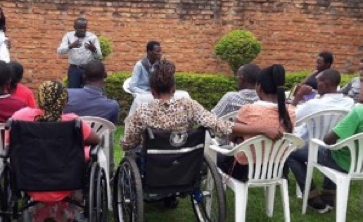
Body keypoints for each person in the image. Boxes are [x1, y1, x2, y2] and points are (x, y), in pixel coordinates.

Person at [287, 70, 363, 213]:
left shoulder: (361, 113)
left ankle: (312, 198)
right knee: (333, 150)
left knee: (291, 151)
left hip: (345, 162)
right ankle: (328, 196)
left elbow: (328, 140)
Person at [121, 59, 283, 155]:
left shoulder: (143, 111)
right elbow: (222, 125)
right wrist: (261, 129)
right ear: (173, 89)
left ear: (153, 92)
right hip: (183, 161)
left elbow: (127, 143)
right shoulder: (190, 106)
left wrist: (128, 142)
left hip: (152, 164)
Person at [8, 81, 101, 222]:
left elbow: (10, 144)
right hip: (67, 179)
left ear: (39, 99)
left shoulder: (20, 118)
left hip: (29, 178)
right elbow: (96, 140)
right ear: (64, 102)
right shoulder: (73, 122)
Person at [217, 64, 296, 182]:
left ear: (258, 87)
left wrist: (244, 136)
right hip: (278, 169)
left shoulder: (249, 109)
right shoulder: (291, 111)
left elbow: (231, 135)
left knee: (216, 156)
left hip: (246, 170)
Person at [292, 69, 354, 143]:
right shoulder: (349, 102)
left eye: (318, 82)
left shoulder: (314, 104)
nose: (317, 85)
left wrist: (298, 95)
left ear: (326, 85)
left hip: (305, 145)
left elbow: (290, 118)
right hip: (332, 147)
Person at [64, 59, 119, 124]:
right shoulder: (112, 106)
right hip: (98, 133)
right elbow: (111, 128)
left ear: (84, 76)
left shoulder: (67, 95)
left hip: (70, 134)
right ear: (105, 75)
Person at [57, 17, 101, 89]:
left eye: (84, 28)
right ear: (74, 27)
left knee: (88, 91)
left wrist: (94, 49)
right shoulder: (68, 36)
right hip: (74, 69)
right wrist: (70, 46)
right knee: (73, 91)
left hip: (88, 69)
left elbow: (99, 56)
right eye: (80, 28)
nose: (82, 30)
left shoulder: (93, 37)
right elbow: (59, 51)